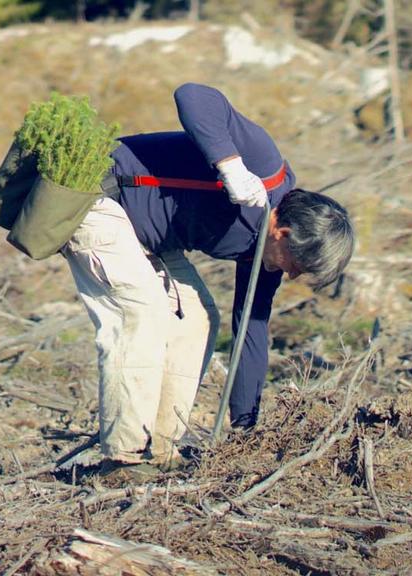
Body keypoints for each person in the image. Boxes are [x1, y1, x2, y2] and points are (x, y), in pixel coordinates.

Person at [62, 83, 355, 479]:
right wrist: (230, 165)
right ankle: (124, 459)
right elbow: (194, 95)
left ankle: (161, 453)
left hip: (145, 234)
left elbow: (251, 331)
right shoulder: (264, 168)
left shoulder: (263, 256)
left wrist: (246, 429)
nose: (292, 275)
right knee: (141, 311)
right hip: (94, 194)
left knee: (197, 319)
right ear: (283, 234)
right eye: (296, 266)